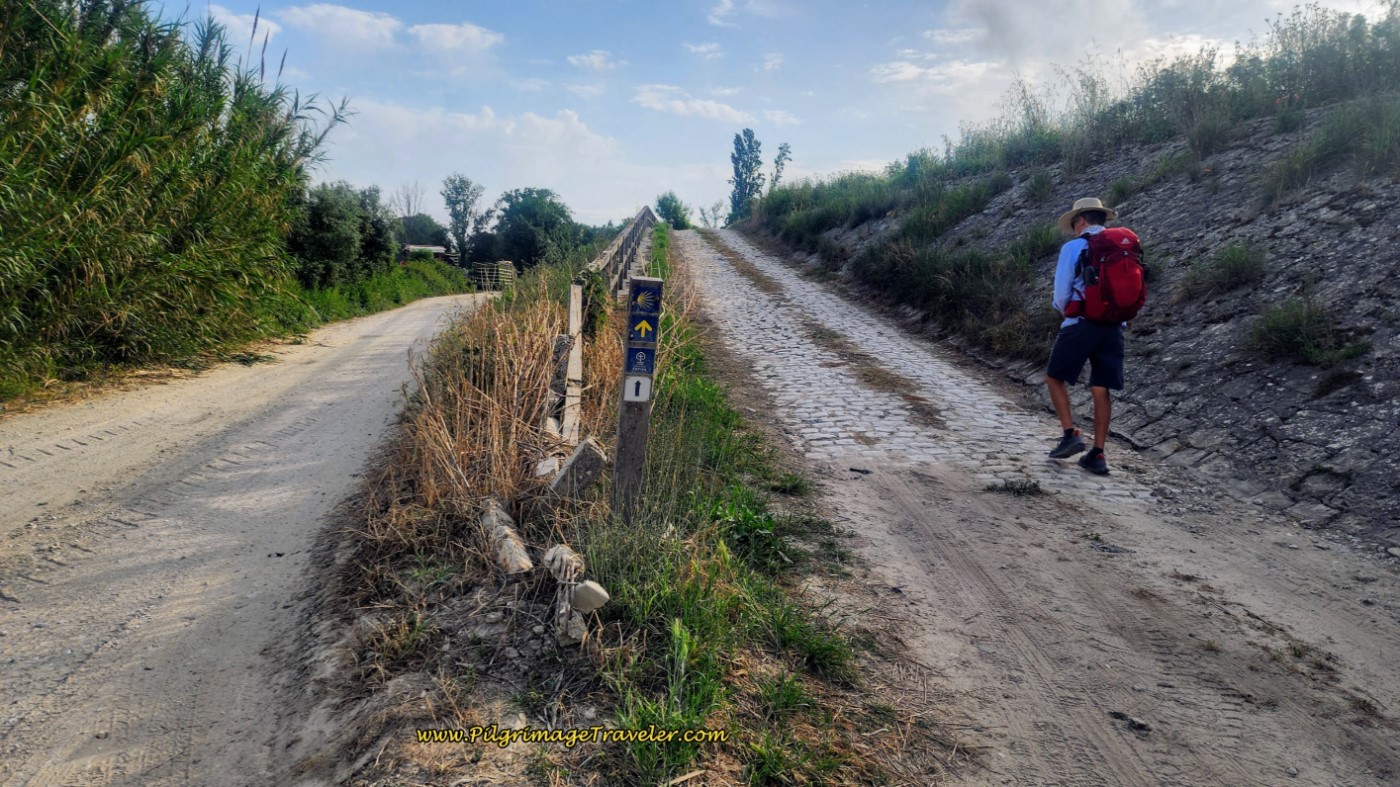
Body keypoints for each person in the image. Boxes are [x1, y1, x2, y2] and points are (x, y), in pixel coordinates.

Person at [1044, 197, 1127, 475]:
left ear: (1081, 220)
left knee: (1054, 377)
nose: (1073, 228)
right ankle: (1099, 454)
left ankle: (1070, 434)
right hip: (1114, 326)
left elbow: (1061, 293)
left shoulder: (1074, 246)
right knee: (1101, 387)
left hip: (1080, 322)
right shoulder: (1121, 247)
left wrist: (1067, 313)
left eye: (1074, 223)